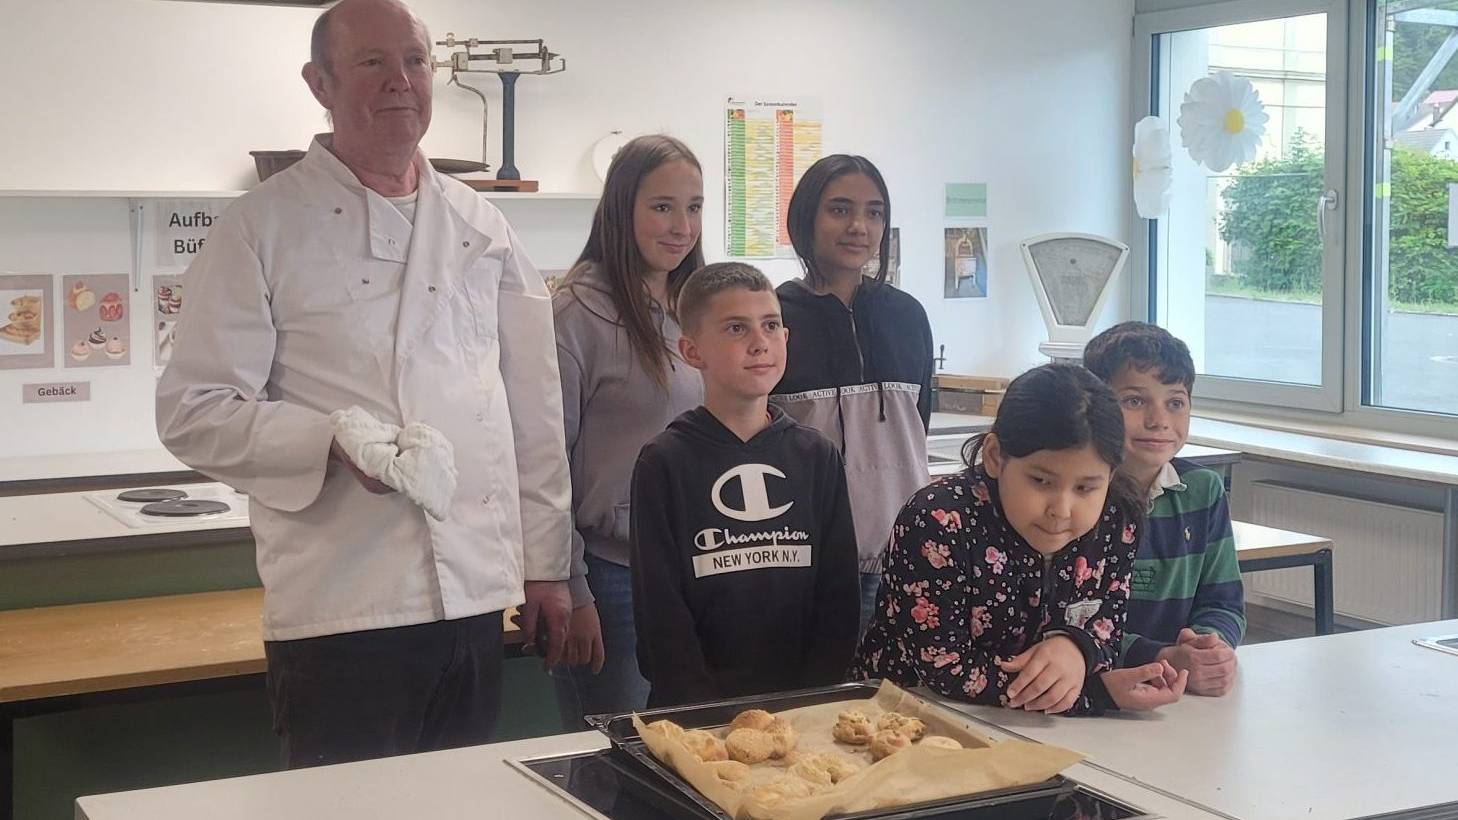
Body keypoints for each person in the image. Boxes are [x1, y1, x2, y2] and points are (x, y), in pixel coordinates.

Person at [154, 0, 571, 767]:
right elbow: (193, 411)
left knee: (460, 805)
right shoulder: (260, 228)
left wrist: (546, 566)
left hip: (476, 597)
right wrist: (330, 440)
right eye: (372, 63)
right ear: (320, 83)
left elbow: (531, 408)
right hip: (343, 607)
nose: (399, 81)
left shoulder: (483, 227)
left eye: (414, 61)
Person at [853, 364, 1188, 715]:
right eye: (1041, 481)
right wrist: (1094, 694)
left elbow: (1108, 627)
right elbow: (945, 669)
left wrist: (1076, 648)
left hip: (1044, 727)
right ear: (995, 457)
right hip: (905, 717)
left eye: (1086, 488)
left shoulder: (1117, 519)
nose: (1061, 510)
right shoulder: (938, 520)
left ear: (1110, 475)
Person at [630, 263, 860, 707]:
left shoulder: (817, 456)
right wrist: (705, 713)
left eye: (770, 325)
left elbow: (839, 598)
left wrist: (809, 701)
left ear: (786, 338)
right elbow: (660, 614)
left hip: (803, 710)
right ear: (692, 351)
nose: (759, 342)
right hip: (696, 716)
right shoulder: (665, 462)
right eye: (736, 328)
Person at [550, 134, 705, 727]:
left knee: (692, 752)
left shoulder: (698, 308)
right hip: (612, 577)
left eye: (693, 207)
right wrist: (572, 587)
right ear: (622, 209)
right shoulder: (576, 312)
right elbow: (544, 462)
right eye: (662, 206)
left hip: (694, 570)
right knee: (619, 757)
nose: (682, 226)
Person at [771, 154, 935, 634]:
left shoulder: (908, 315)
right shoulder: (775, 316)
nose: (859, 226)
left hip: (904, 554)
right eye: (840, 209)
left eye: (874, 212)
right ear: (806, 217)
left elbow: (918, 425)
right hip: (809, 560)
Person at [1083, 321, 1245, 696]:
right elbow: (1068, 620)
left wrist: (1208, 647)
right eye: (1134, 401)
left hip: (1177, 693)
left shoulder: (1203, 490)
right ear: (1095, 405)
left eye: (1175, 403)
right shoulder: (1077, 497)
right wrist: (1161, 657)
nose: (1159, 421)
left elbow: (1223, 602)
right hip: (1092, 687)